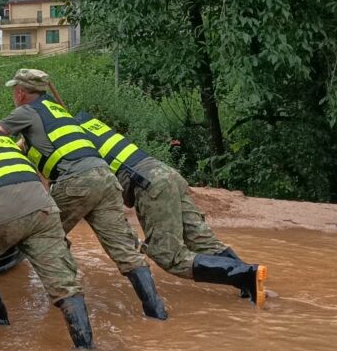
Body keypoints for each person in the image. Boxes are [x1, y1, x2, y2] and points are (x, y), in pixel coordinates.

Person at [0, 68, 168, 320]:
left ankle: (67, 308)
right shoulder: (59, 112)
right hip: (105, 177)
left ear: (21, 93)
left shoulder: (26, 111)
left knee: (43, 237)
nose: (14, 94)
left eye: (15, 90)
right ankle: (156, 313)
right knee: (126, 251)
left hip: (76, 182)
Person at [75, 115, 268, 304]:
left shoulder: (66, 134)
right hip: (165, 173)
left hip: (148, 184)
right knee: (202, 241)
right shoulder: (86, 121)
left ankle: (244, 274)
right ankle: (252, 281)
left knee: (170, 257)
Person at [0, 115, 94, 349]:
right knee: (64, 284)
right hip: (43, 210)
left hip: (1, 214)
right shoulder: (5, 142)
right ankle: (86, 347)